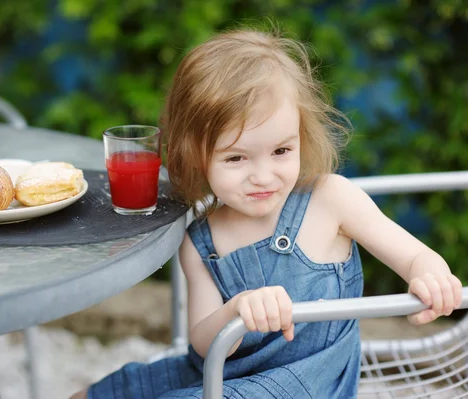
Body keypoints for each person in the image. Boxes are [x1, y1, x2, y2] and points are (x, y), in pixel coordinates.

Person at [70, 27, 464, 399]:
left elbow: (414, 255)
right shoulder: (201, 241)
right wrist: (236, 309)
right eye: (237, 157)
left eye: (281, 151)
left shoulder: (331, 200)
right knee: (104, 392)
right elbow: (204, 345)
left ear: (301, 136)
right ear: (197, 155)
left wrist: (431, 275)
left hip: (309, 382)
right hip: (224, 369)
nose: (263, 176)